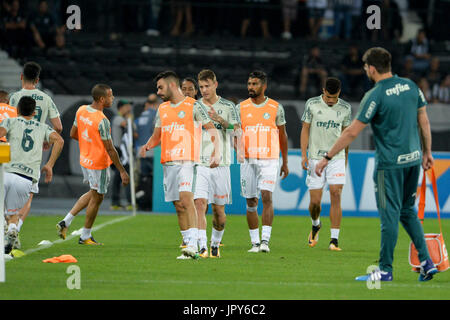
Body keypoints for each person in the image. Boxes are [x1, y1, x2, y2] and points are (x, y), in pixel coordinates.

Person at [315, 47, 438, 282]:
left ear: (371, 68)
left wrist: (327, 157)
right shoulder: (412, 87)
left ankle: (385, 269)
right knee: (406, 211)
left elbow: (351, 132)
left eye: (365, 67)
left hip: (389, 165)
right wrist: (427, 152)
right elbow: (424, 120)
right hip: (413, 161)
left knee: (389, 216)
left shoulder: (376, 94)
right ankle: (426, 262)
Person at [139, 71, 220, 260]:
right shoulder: (162, 109)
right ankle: (187, 243)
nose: (158, 92)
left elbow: (211, 129)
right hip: (169, 162)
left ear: (172, 86)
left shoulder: (194, 106)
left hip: (188, 160)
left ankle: (193, 246)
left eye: (160, 87)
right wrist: (148, 145)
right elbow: (157, 135)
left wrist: (216, 153)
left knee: (186, 199)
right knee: (178, 205)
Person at [56, 84, 129, 245]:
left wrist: (88, 145)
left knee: (93, 192)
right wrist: (122, 171)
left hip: (85, 159)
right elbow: (110, 149)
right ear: (102, 99)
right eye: (111, 96)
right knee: (98, 197)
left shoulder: (81, 110)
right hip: (98, 163)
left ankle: (66, 221)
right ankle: (85, 236)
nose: (113, 98)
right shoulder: (103, 121)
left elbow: (73, 134)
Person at [9, 61, 62, 247]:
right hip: (33, 154)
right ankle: (15, 228)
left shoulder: (14, 97)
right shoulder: (45, 99)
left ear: (21, 77)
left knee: (5, 193)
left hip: (11, 151)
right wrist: (46, 139)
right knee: (27, 195)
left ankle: (8, 228)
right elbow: (58, 127)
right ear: (38, 80)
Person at [2, 96, 64, 254]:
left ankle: (7, 231)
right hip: (26, 178)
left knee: (3, 212)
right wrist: (49, 165)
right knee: (14, 213)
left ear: (17, 110)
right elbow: (60, 141)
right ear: (35, 112)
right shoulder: (42, 127)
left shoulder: (11, 122)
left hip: (7, 173)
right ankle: (13, 229)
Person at [237, 70, 289, 253]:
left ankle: (265, 241)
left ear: (264, 86)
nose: (250, 87)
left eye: (255, 84)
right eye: (249, 84)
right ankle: (255, 243)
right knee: (251, 202)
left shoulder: (276, 107)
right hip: (248, 160)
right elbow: (235, 132)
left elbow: (283, 136)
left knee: (267, 196)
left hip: (269, 159)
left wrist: (285, 161)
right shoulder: (241, 107)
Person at [301, 77, 352, 251]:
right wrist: (303, 154)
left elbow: (346, 135)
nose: (331, 101)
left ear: (339, 93)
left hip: (336, 158)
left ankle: (334, 240)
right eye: (328, 97)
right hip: (315, 157)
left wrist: (345, 157)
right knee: (315, 203)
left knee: (336, 194)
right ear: (323, 91)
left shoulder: (345, 108)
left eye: (334, 97)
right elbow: (305, 129)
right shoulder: (312, 104)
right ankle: (316, 224)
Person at [193, 69, 239, 258]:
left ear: (215, 85)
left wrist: (221, 120)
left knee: (219, 212)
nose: (203, 90)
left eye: (207, 86)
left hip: (221, 165)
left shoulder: (228, 106)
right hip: (200, 164)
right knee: (200, 203)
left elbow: (237, 131)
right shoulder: (195, 106)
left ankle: (215, 244)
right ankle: (202, 247)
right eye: (201, 86)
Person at [135, 93, 159, 210]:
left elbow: (135, 133)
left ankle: (142, 203)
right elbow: (157, 133)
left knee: (143, 178)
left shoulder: (139, 117)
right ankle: (152, 203)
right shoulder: (155, 115)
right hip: (153, 152)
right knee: (155, 179)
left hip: (141, 152)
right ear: (156, 104)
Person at [110, 99, 134, 210]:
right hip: (118, 151)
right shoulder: (118, 118)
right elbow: (127, 125)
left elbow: (134, 133)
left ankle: (116, 202)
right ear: (121, 108)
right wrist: (130, 119)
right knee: (124, 175)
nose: (129, 108)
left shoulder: (123, 119)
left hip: (122, 151)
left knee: (119, 177)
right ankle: (128, 202)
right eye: (127, 106)